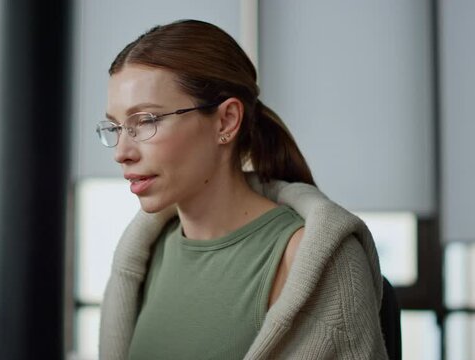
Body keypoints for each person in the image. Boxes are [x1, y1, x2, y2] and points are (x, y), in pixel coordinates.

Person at [96, 19, 387, 359]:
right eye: (115, 127)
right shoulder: (146, 256)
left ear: (226, 121)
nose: (121, 153)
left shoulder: (311, 260)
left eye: (145, 121)